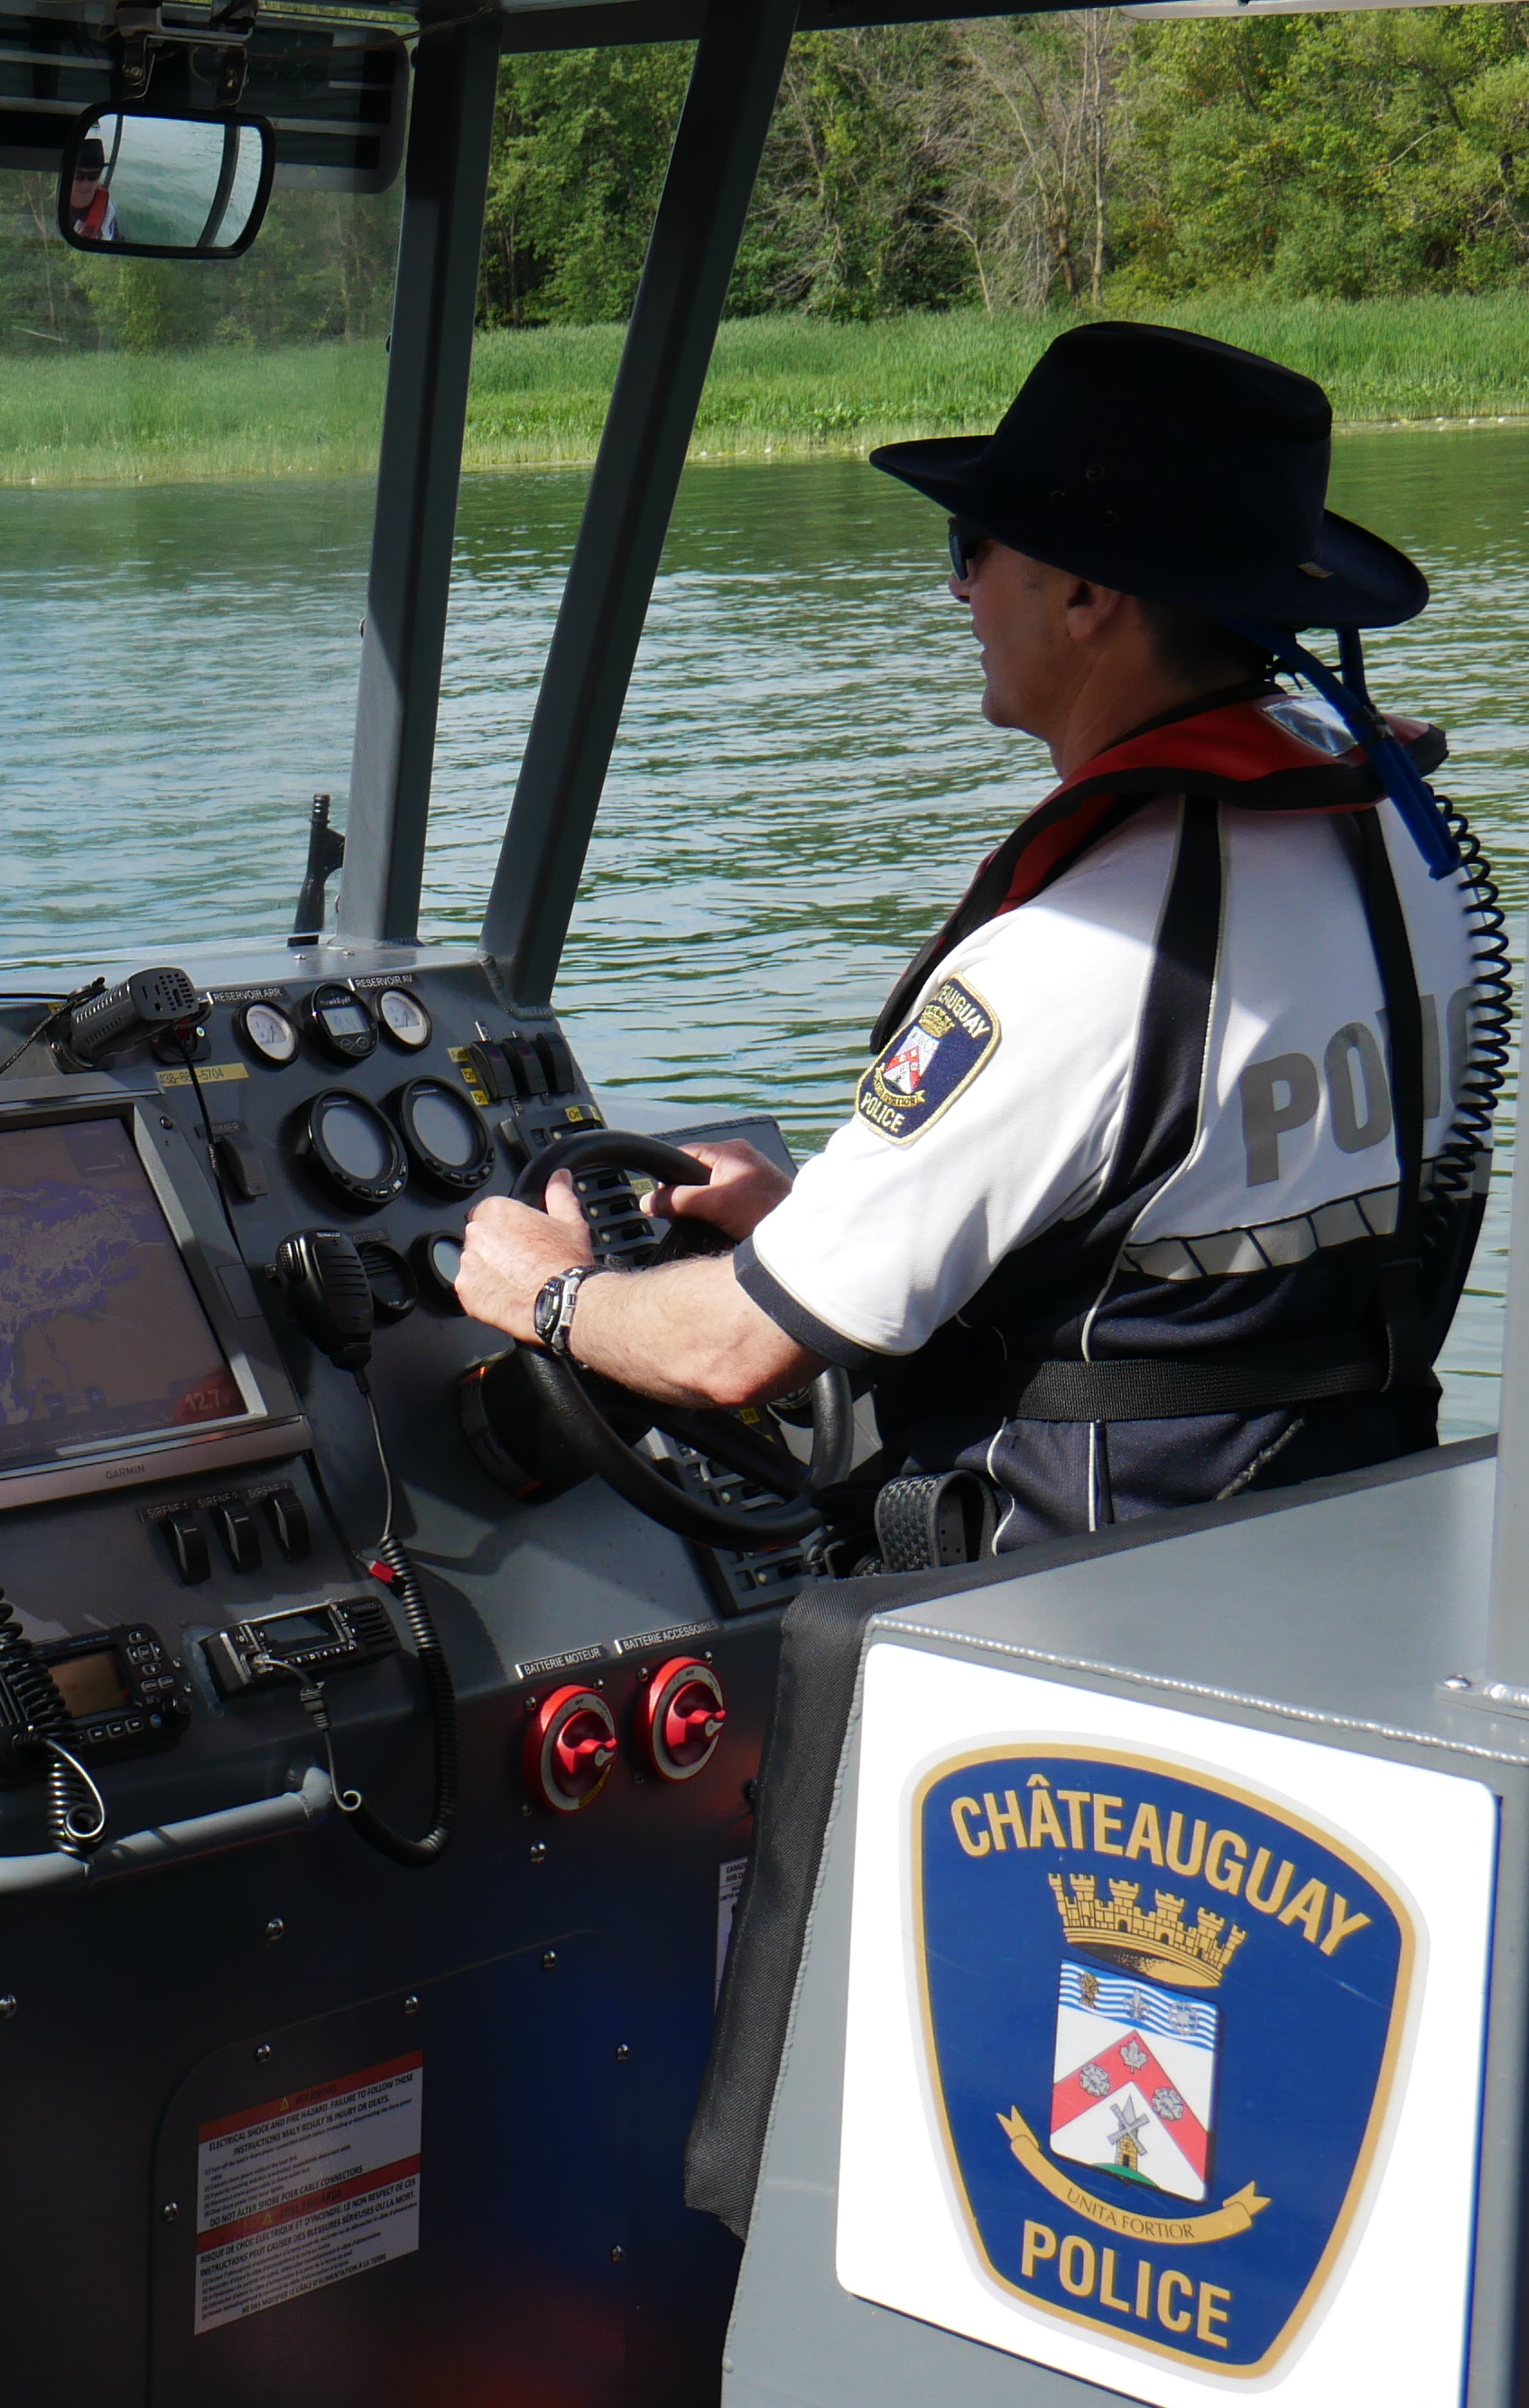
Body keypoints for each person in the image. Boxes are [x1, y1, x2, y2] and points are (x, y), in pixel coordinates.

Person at [453, 324, 1483, 1554]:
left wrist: (550, 1290)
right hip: (1349, 1542)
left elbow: (733, 1352)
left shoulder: (1079, 954)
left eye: (971, 549)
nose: (957, 589)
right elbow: (1198, 1265)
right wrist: (821, 1222)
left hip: (1083, 1627)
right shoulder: (1411, 865)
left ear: (1090, 595)